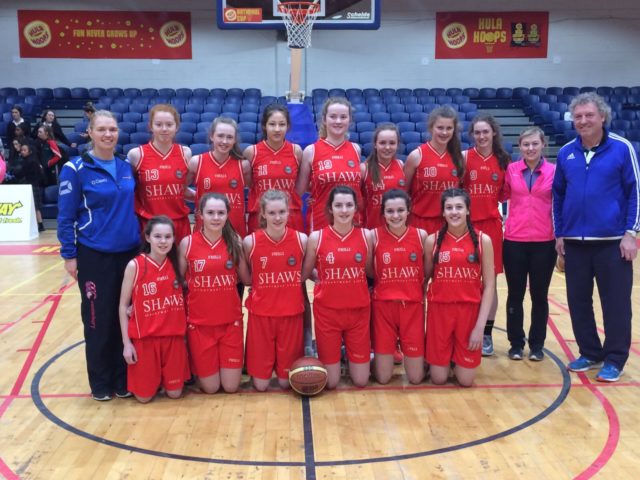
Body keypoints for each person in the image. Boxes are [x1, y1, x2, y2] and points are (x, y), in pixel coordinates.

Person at [553, 92, 639, 382]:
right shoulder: (566, 152)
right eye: (578, 116)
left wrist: (631, 233)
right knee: (578, 301)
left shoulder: (621, 148)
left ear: (602, 117)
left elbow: (635, 193)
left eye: (589, 115)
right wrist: (560, 234)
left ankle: (615, 358)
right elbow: (558, 194)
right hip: (575, 243)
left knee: (615, 304)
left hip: (613, 243)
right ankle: (590, 352)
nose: (583, 121)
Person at [57, 110, 141, 401]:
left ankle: (123, 379)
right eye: (102, 129)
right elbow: (65, 217)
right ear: (90, 133)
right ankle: (101, 382)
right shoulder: (75, 168)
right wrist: (70, 255)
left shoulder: (127, 166)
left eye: (113, 129)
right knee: (98, 319)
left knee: (126, 318)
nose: (108, 134)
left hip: (129, 253)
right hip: (95, 254)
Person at [178, 193, 250, 394]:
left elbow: (247, 279)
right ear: (200, 214)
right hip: (200, 326)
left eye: (221, 213)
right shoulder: (187, 243)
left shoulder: (235, 241)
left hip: (230, 324)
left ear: (228, 215)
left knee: (230, 387)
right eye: (210, 213)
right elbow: (179, 281)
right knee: (210, 389)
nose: (216, 217)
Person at [302, 185, 372, 389]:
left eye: (349, 205)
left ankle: (348, 352)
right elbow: (306, 273)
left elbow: (369, 272)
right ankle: (329, 350)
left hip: (358, 312)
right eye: (339, 205)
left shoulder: (366, 236)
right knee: (331, 383)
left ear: (355, 208)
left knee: (361, 381)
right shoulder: (317, 237)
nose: (344, 210)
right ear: (330, 209)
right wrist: (322, 277)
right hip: (327, 313)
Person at [424, 188, 495, 387]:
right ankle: (441, 359)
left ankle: (454, 358)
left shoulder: (483, 241)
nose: (454, 212)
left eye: (459, 207)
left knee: (465, 381)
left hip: (469, 314)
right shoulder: (432, 241)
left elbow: (489, 286)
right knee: (438, 379)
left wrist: (480, 328)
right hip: (439, 312)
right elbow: (424, 280)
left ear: (468, 211)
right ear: (443, 212)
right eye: (449, 208)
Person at [118, 216, 190, 403]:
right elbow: (123, 306)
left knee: (175, 394)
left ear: (174, 238)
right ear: (148, 238)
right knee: (144, 398)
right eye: (158, 236)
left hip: (173, 339)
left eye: (168, 236)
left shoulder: (177, 264)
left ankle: (162, 377)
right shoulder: (135, 265)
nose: (163, 241)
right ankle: (153, 378)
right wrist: (127, 344)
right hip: (145, 341)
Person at [243, 190, 307, 390]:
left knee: (285, 383)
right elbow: (247, 278)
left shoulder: (302, 240)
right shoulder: (250, 242)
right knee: (261, 386)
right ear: (262, 213)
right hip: (261, 316)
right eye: (272, 213)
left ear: (289, 212)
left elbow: (304, 274)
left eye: (282, 212)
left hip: (291, 315)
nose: (277, 217)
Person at [502, 127, 556, 361]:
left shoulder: (555, 171)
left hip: (545, 242)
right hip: (514, 241)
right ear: (519, 147)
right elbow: (499, 195)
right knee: (515, 294)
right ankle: (515, 343)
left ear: (543, 144)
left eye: (535, 144)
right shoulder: (511, 170)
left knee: (539, 295)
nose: (530, 148)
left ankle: (537, 344)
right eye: (526, 145)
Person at [461, 114, 509, 356]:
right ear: (472, 135)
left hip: (491, 227)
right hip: (465, 228)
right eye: (477, 132)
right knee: (465, 282)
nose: (481, 136)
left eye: (485, 132)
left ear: (493, 134)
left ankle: (487, 334)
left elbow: (504, 196)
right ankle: (464, 329)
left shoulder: (503, 161)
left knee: (490, 283)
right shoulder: (463, 158)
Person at [371, 189, 427, 384]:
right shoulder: (373, 237)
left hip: (412, 306)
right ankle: (372, 360)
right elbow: (370, 271)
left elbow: (426, 272)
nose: (395, 216)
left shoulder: (421, 236)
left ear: (409, 210)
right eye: (390, 211)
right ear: (383, 213)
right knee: (384, 378)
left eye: (400, 210)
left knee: (415, 378)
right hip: (383, 308)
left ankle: (427, 360)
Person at [127, 104, 193, 243]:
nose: (164, 129)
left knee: (181, 265)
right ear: (151, 126)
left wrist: (206, 198)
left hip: (179, 223)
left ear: (177, 127)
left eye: (169, 124)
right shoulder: (137, 155)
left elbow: (183, 190)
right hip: (149, 224)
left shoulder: (185, 153)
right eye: (159, 124)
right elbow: (130, 190)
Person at [297, 97, 363, 231]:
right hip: (321, 220)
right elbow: (299, 190)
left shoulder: (356, 149)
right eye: (333, 116)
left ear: (349, 120)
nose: (338, 121)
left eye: (343, 117)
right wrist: (317, 196)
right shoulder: (311, 151)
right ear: (324, 119)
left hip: (352, 219)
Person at [244, 104, 304, 233]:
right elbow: (250, 185)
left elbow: (299, 186)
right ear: (264, 126)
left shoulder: (296, 151)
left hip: (290, 215)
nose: (277, 129)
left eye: (282, 124)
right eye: (272, 124)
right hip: (261, 216)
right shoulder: (251, 152)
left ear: (288, 127)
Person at [404, 105, 464, 235]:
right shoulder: (416, 156)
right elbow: (404, 192)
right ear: (431, 128)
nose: (444, 132)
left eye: (449, 128)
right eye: (440, 127)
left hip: (448, 223)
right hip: (419, 222)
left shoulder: (458, 157)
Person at [187, 117, 250, 237]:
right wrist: (199, 198)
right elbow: (180, 189)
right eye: (220, 136)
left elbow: (254, 190)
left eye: (229, 137)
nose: (225, 141)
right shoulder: (197, 162)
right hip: (205, 231)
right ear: (212, 136)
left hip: (235, 231)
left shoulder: (243, 165)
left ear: (235, 140)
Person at [361, 123, 406, 229]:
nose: (387, 147)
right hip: (371, 230)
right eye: (382, 143)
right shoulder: (364, 169)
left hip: (397, 228)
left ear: (397, 145)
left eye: (392, 143)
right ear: (375, 144)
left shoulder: (401, 165)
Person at [18, 142, 46, 232]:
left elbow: (21, 174)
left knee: (35, 206)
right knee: (35, 206)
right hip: (32, 185)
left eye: (24, 150)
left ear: (30, 151)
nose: (22, 152)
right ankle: (40, 225)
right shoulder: (32, 161)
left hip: (31, 186)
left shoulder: (30, 162)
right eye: (21, 150)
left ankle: (40, 224)